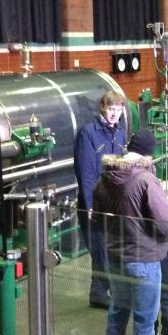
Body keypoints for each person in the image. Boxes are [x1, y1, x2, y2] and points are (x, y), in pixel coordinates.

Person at [93, 129, 168, 335]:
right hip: (143, 260)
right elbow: (164, 222)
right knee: (144, 322)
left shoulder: (106, 177)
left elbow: (96, 220)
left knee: (117, 315)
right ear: (149, 154)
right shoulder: (144, 179)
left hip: (115, 257)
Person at [73, 91, 127, 308]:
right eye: (111, 109)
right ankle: (111, 292)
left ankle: (98, 293)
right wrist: (90, 206)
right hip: (96, 205)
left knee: (108, 250)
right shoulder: (88, 133)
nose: (115, 114)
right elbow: (85, 173)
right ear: (102, 108)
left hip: (114, 203)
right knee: (101, 251)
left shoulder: (120, 133)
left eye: (119, 109)